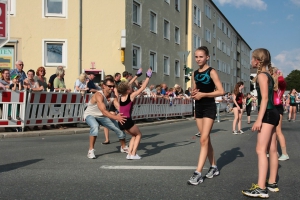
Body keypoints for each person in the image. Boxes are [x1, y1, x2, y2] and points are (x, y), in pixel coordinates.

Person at [242, 48, 280, 198]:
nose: (250, 61)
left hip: (268, 114)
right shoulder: (268, 75)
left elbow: (264, 99)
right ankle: (271, 183)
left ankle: (261, 188)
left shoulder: (262, 76)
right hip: (273, 113)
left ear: (257, 61)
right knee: (272, 149)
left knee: (260, 150)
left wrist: (258, 119)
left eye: (252, 59)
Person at [187, 46, 224, 185]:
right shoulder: (195, 73)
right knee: (205, 139)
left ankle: (197, 173)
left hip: (209, 106)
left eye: (201, 56)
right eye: (196, 57)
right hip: (199, 107)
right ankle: (214, 167)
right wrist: (194, 93)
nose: (198, 59)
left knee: (203, 140)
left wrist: (204, 94)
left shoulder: (211, 71)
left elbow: (221, 91)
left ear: (207, 57)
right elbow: (196, 89)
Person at [84, 78, 128, 159]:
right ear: (104, 86)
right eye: (109, 86)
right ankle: (90, 151)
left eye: (113, 86)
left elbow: (117, 106)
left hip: (102, 116)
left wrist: (124, 114)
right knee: (95, 126)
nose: (111, 88)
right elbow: (104, 111)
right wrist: (116, 117)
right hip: (90, 115)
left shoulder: (113, 95)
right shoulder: (99, 95)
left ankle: (123, 147)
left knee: (119, 128)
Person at [117, 68, 152, 159]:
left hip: (120, 121)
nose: (131, 88)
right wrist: (148, 77)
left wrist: (137, 75)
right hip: (127, 120)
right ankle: (133, 154)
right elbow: (143, 87)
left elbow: (125, 86)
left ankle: (129, 154)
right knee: (139, 134)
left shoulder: (120, 97)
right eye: (130, 88)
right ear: (128, 90)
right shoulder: (131, 96)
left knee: (134, 135)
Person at [270, 68, 289, 161]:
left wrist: (279, 74)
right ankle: (274, 151)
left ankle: (285, 153)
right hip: (272, 107)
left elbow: (281, 80)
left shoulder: (281, 84)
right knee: (272, 131)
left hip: (277, 107)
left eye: (272, 74)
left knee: (278, 131)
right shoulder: (272, 84)